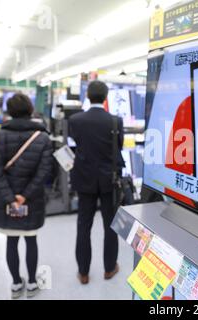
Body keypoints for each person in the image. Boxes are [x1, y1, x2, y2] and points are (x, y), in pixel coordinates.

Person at [0, 93, 53, 299]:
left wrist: (11, 198)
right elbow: (44, 172)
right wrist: (24, 196)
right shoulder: (43, 138)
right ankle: (32, 284)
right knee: (31, 240)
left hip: (6, 200)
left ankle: (15, 285)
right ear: (31, 110)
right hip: (32, 200)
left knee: (11, 241)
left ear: (9, 112)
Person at [69, 80, 125, 285]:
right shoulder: (115, 121)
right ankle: (109, 268)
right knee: (110, 225)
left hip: (84, 179)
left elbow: (76, 143)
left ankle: (83, 272)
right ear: (106, 97)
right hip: (109, 180)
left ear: (87, 96)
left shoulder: (75, 120)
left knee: (83, 226)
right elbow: (117, 147)